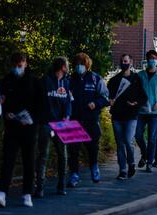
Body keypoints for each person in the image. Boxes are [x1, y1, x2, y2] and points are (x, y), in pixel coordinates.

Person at [0, 53, 40, 208]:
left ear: (25, 64)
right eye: (15, 66)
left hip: (29, 126)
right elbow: (1, 103)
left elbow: (40, 104)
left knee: (29, 160)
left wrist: (32, 118)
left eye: (20, 66)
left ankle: (27, 194)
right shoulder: (6, 81)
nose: (17, 69)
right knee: (8, 159)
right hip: (12, 126)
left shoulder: (34, 81)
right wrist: (3, 109)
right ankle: (2, 193)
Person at [67, 52, 109, 188]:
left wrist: (96, 104)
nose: (79, 67)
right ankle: (74, 174)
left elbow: (105, 98)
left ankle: (94, 167)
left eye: (82, 64)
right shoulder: (69, 80)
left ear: (87, 65)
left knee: (92, 148)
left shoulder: (95, 79)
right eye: (77, 64)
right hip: (74, 120)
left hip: (91, 120)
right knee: (73, 150)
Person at [34, 57, 72, 198]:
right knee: (43, 155)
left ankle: (61, 186)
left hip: (61, 124)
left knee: (63, 155)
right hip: (46, 123)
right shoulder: (45, 81)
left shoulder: (66, 83)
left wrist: (67, 115)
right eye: (67, 65)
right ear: (62, 67)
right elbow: (38, 101)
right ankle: (40, 187)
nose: (68, 67)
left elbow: (68, 102)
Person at [107, 54, 147, 180]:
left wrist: (136, 103)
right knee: (120, 144)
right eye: (122, 61)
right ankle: (122, 170)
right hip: (117, 116)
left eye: (126, 61)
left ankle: (131, 163)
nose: (124, 63)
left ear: (131, 62)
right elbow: (107, 96)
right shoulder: (114, 80)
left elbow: (143, 97)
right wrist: (109, 101)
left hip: (131, 116)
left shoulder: (136, 79)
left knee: (128, 141)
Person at [135, 50, 157, 172]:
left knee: (152, 137)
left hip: (155, 112)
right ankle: (144, 154)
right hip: (141, 111)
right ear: (147, 59)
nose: (153, 60)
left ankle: (149, 162)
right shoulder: (140, 75)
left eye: (154, 58)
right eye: (150, 58)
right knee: (138, 134)